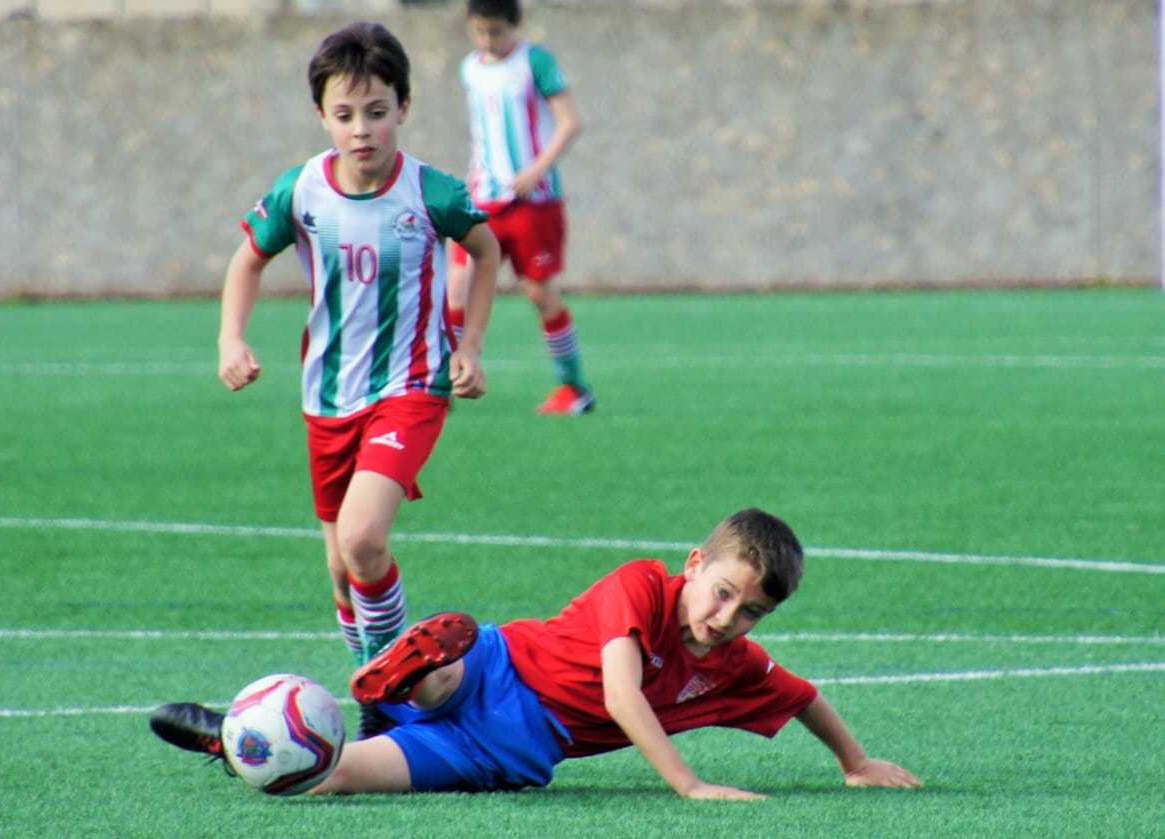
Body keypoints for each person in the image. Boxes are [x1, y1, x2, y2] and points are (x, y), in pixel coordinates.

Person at [150, 508, 923, 798]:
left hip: (508, 745)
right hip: (502, 663)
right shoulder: (640, 586)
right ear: (693, 564)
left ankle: (236, 740)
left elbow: (804, 696)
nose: (728, 617)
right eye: (722, 592)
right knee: (448, 670)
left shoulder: (734, 664)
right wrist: (688, 784)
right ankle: (411, 677)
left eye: (751, 611)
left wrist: (854, 761)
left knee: (332, 777)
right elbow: (622, 694)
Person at [214, 22, 499, 735]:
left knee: (364, 539)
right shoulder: (302, 191)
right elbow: (246, 261)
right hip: (327, 397)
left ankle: (386, 689)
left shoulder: (431, 192)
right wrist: (231, 338)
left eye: (376, 111)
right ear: (321, 115)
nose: (361, 129)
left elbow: (486, 250)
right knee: (342, 567)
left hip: (411, 388)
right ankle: (379, 679)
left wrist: (469, 344)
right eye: (344, 114)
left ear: (404, 106)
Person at [445, 0, 593, 416]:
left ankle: (574, 388)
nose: (487, 40)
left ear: (515, 25)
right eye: (479, 32)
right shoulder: (470, 69)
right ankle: (443, 384)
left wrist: (536, 170)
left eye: (495, 31)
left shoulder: (535, 63)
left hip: (534, 201)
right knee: (457, 286)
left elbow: (570, 122)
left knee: (539, 292)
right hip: (483, 201)